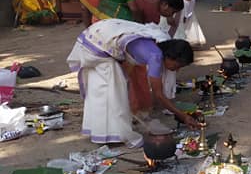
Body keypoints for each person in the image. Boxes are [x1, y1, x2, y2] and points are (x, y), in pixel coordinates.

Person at [67, 18, 198, 147]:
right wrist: (183, 116)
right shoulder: (156, 57)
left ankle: (101, 130)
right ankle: (114, 134)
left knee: (108, 89)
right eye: (178, 64)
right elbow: (159, 94)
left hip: (100, 33)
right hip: (97, 42)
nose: (178, 69)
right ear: (170, 56)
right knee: (113, 93)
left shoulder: (158, 45)